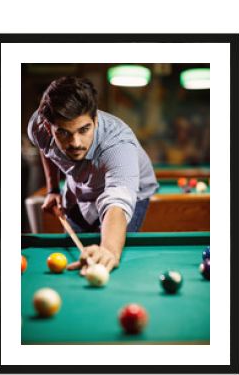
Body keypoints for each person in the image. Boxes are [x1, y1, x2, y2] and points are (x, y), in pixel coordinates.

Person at [27, 76, 158, 274]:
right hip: (79, 187)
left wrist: (109, 251)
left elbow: (118, 201)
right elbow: (46, 148)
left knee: (107, 255)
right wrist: (53, 189)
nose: (76, 142)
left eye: (84, 129)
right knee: (75, 250)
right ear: (48, 127)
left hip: (132, 193)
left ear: (95, 120)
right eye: (63, 133)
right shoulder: (38, 127)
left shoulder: (118, 145)